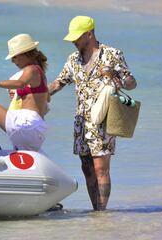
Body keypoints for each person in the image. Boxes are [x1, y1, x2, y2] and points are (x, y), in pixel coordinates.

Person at [48, 16, 137, 211]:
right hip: (81, 121)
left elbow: (132, 83)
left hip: (103, 118)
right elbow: (58, 83)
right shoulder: (73, 60)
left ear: (89, 34)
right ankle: (95, 209)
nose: (73, 41)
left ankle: (102, 211)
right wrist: (36, 94)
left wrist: (118, 79)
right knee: (87, 169)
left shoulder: (112, 55)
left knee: (100, 168)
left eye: (77, 37)